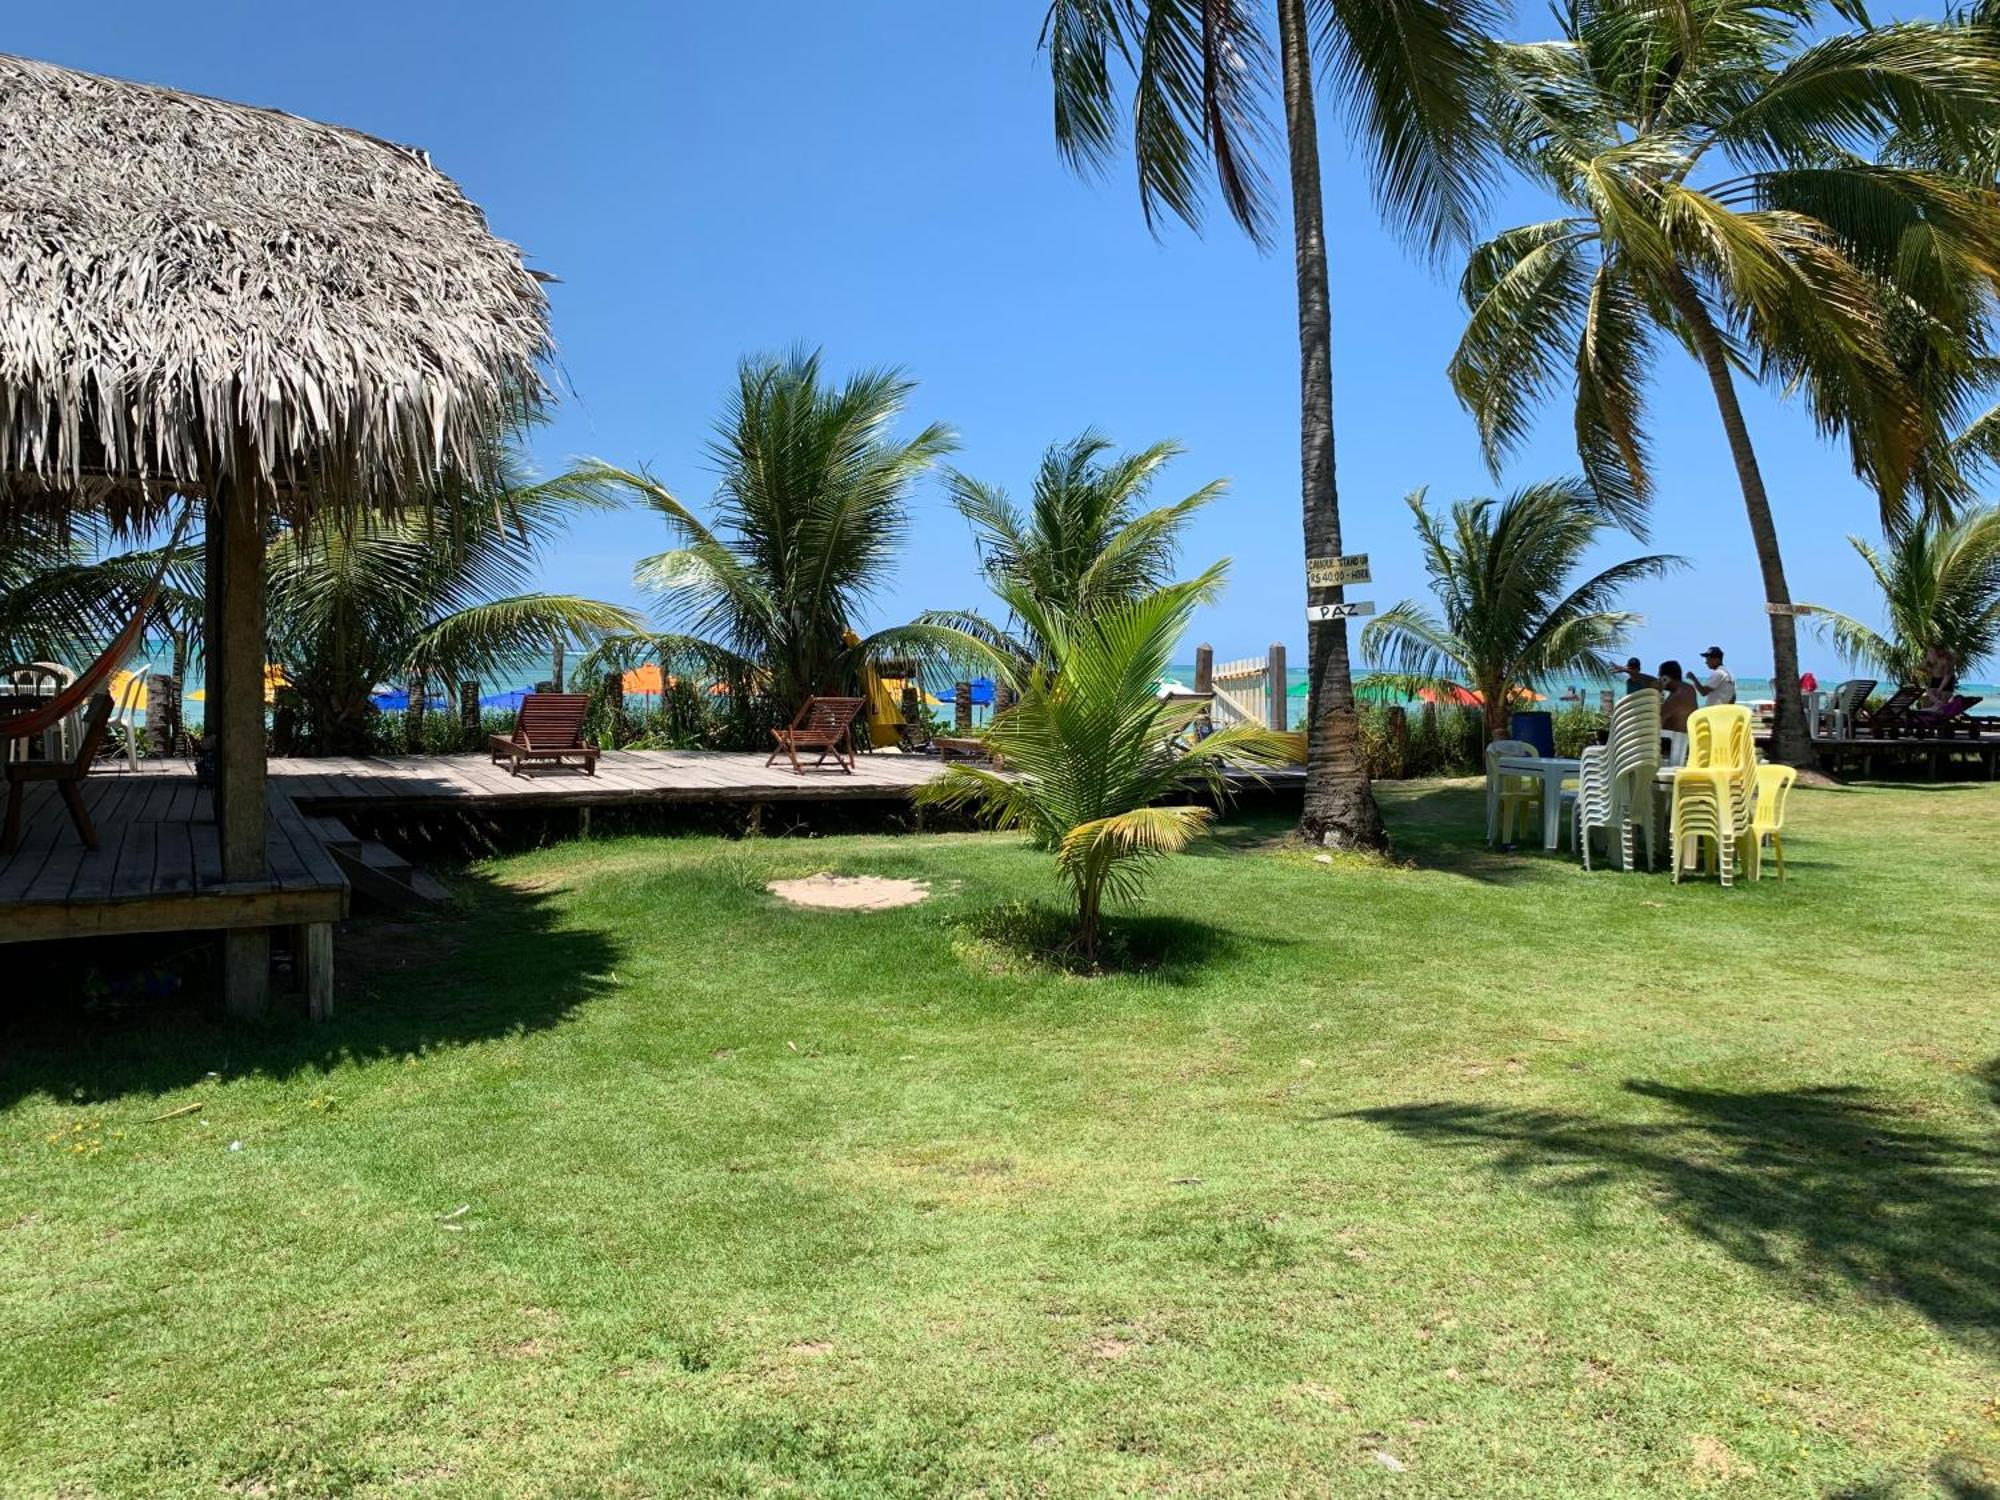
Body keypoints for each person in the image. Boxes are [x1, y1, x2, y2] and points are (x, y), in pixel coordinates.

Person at [1658, 660, 1698, 733]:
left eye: (1659, 676)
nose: (1658, 680)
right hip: (1687, 738)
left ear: (1665, 678)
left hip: (1674, 740)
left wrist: (1658, 692)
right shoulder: (1689, 688)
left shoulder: (1676, 696)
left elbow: (1657, 721)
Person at [1919, 643, 1958, 709]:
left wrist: (1940, 689)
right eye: (1929, 652)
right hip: (1935, 681)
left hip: (1946, 683)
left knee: (1941, 704)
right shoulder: (1931, 661)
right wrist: (1927, 667)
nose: (1929, 654)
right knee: (1927, 703)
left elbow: (1947, 676)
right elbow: (1921, 667)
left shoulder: (1945, 661)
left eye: (1931, 652)